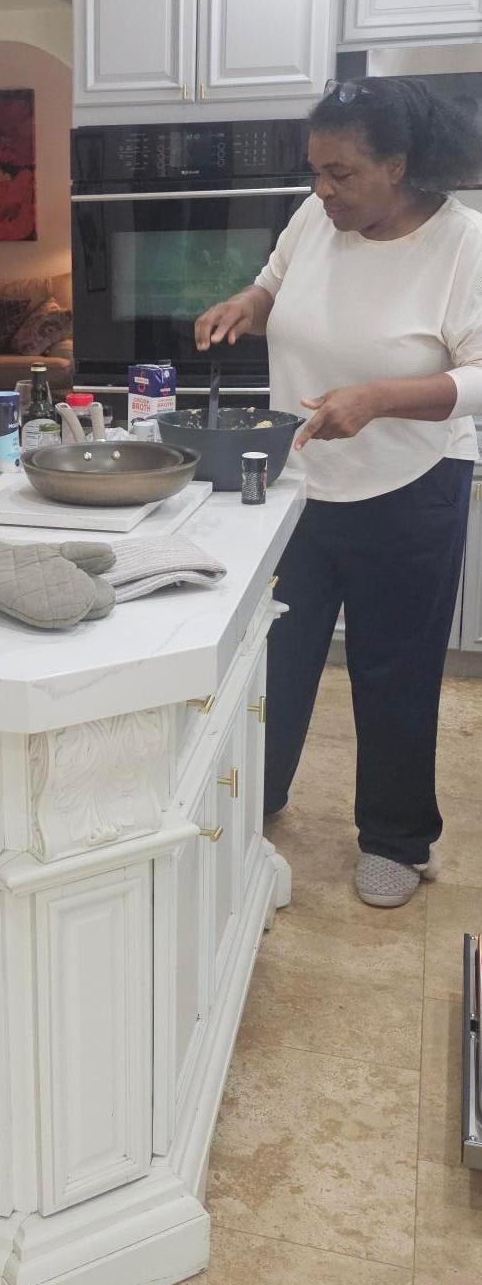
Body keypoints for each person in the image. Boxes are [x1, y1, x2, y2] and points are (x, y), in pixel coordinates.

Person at [195, 77, 482, 907]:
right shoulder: (315, 217)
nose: (323, 189)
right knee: (275, 655)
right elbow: (273, 283)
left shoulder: (463, 244)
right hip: (296, 482)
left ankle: (396, 839)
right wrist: (246, 304)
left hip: (411, 485)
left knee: (394, 671)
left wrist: (379, 398)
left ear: (400, 165)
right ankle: (260, 794)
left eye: (342, 173)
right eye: (315, 171)